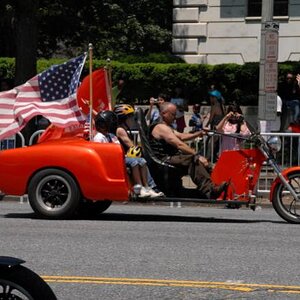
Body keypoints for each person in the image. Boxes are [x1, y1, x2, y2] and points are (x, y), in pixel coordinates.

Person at [149, 102, 228, 199]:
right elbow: (179, 144)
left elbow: (181, 136)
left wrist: (199, 133)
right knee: (193, 159)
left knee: (200, 161)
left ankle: (214, 184)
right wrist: (198, 155)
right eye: (173, 114)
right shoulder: (161, 128)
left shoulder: (167, 128)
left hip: (170, 157)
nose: (175, 117)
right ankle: (209, 190)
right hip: (164, 159)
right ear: (163, 113)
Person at [94, 110, 163, 198]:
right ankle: (139, 188)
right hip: (109, 161)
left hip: (118, 158)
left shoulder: (112, 136)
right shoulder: (99, 137)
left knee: (142, 160)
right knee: (134, 162)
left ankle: (147, 187)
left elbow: (118, 148)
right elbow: (102, 153)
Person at [113, 104, 164, 197]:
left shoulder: (124, 129)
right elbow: (132, 146)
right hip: (121, 157)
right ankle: (143, 187)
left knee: (142, 161)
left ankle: (147, 187)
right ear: (123, 119)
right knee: (137, 161)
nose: (132, 119)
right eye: (130, 117)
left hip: (126, 156)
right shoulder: (120, 130)